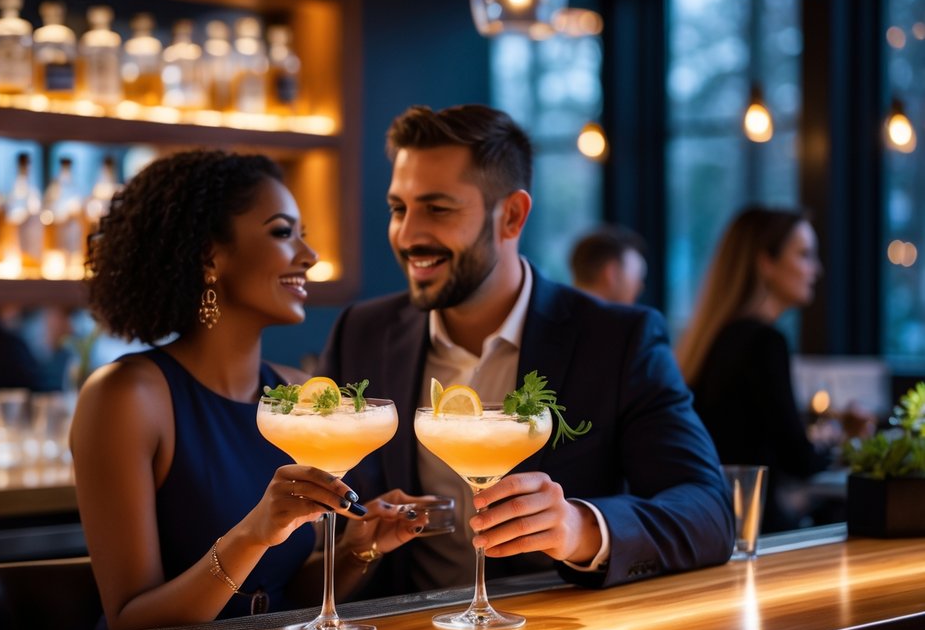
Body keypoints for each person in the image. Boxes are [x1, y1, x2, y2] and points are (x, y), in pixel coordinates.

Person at [318, 104, 734, 596]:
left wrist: (580, 528)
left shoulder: (617, 340)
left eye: (438, 208)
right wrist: (357, 546)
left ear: (511, 216)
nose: (408, 235)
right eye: (398, 209)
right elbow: (331, 519)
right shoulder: (362, 332)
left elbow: (708, 511)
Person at [71, 149, 423, 630]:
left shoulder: (295, 396)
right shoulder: (126, 398)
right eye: (282, 233)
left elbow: (284, 600)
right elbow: (130, 621)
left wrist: (362, 546)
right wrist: (254, 533)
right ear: (209, 255)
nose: (310, 256)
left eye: (304, 235)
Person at [676, 206, 868, 532]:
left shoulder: (712, 340)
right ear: (766, 262)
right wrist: (850, 442)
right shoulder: (763, 343)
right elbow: (799, 461)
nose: (816, 269)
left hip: (709, 524)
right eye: (804, 255)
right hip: (752, 530)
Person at [569, 224, 648, 305]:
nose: (640, 287)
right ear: (611, 273)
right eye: (636, 277)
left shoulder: (558, 311)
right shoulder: (645, 316)